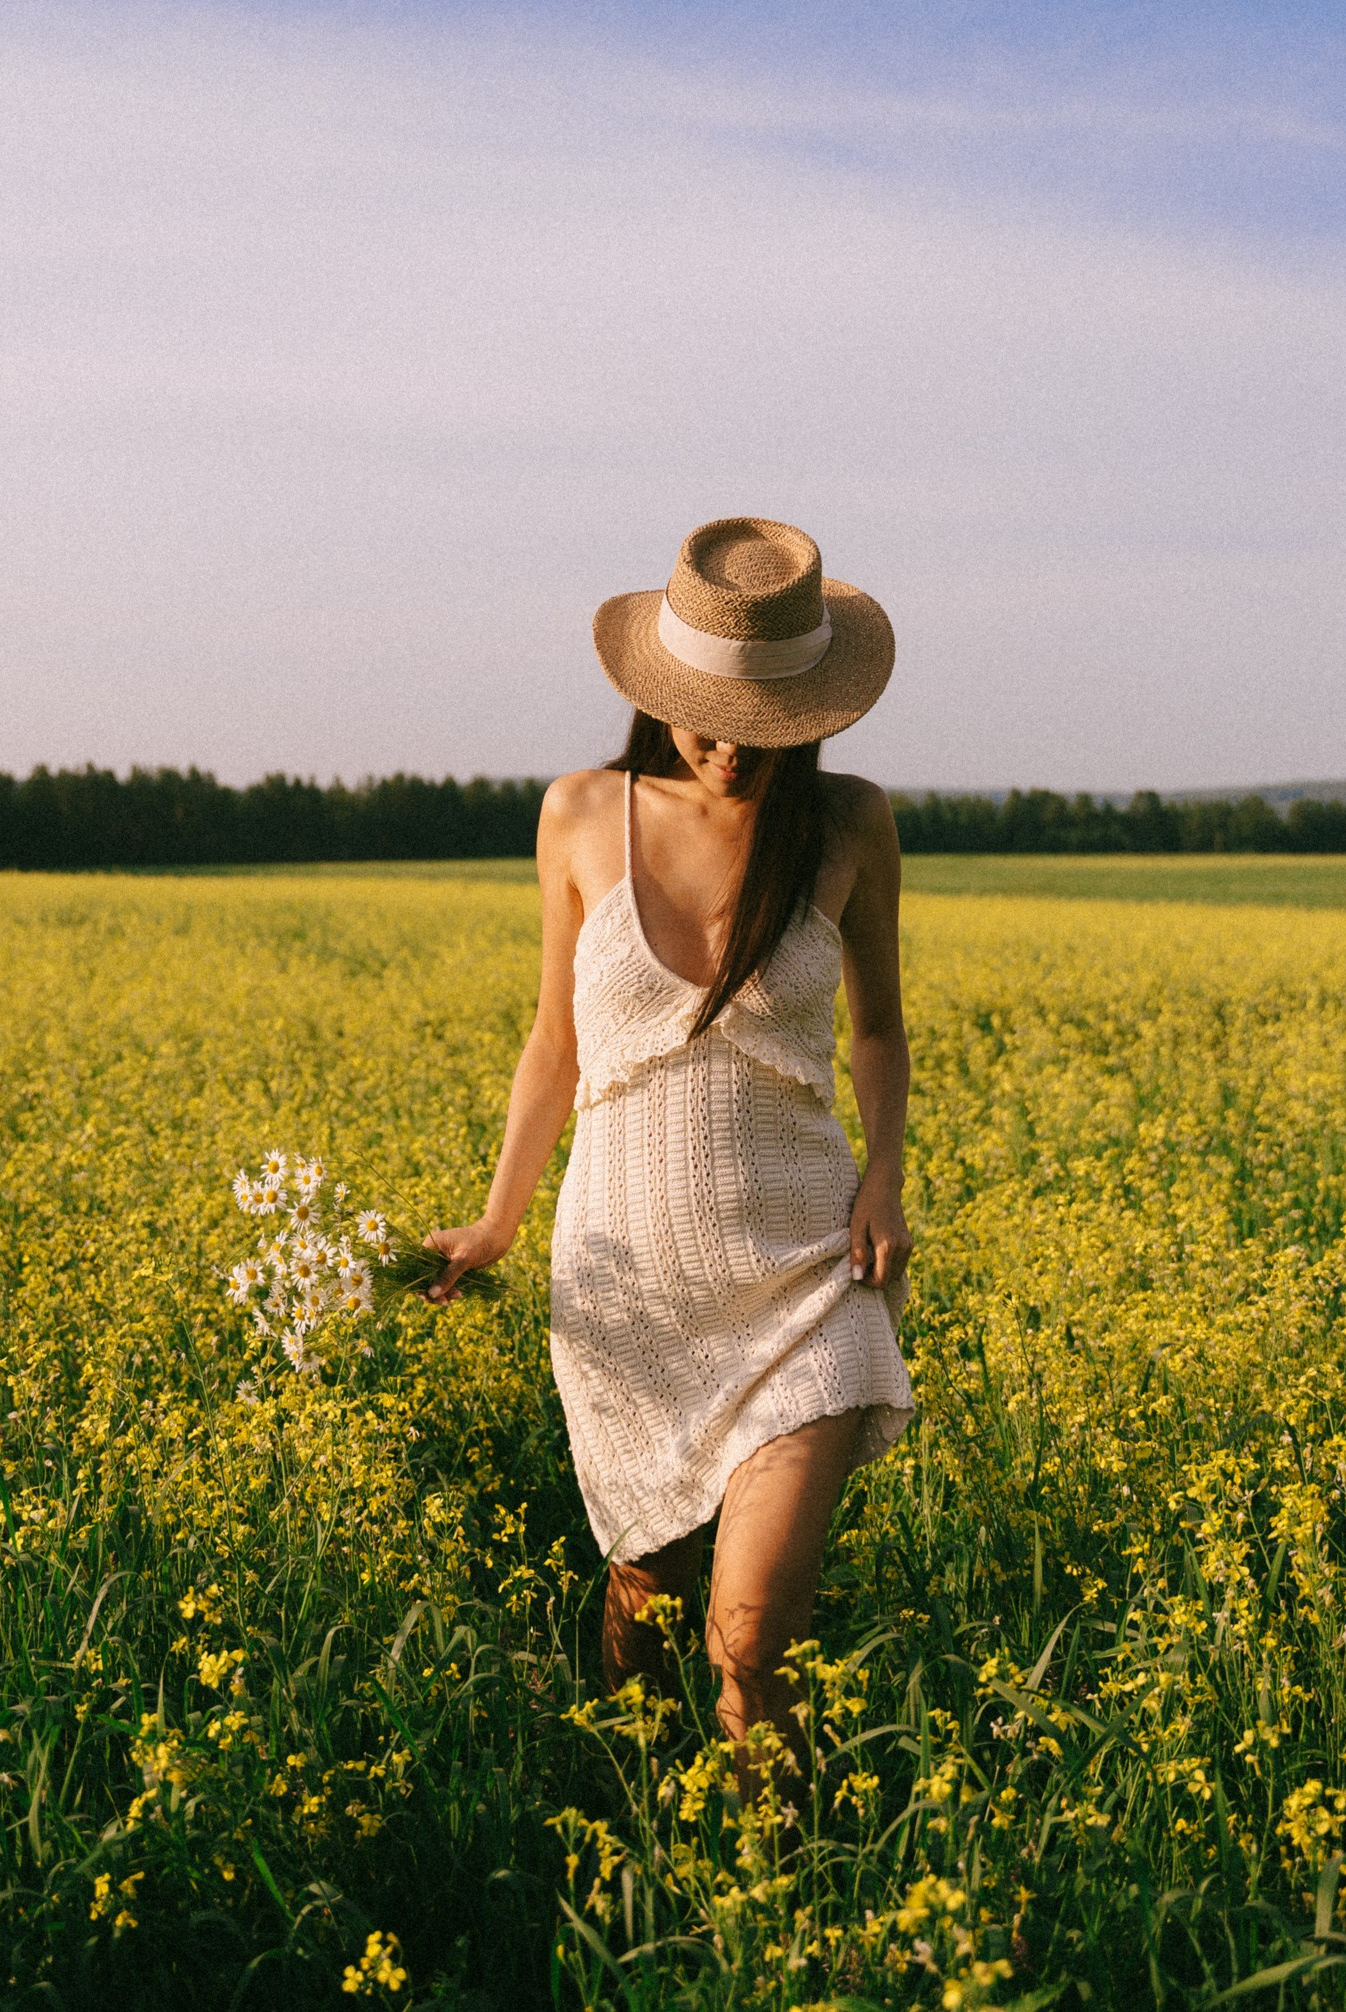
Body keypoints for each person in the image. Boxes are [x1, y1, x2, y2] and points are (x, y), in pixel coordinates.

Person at [424, 515, 914, 1764]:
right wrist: (493, 1222)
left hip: (804, 1274)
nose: (729, 749)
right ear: (662, 694)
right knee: (642, 1607)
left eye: (761, 726)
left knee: (749, 1636)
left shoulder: (852, 824)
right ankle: (635, 1808)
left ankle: (775, 1911)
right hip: (626, 1279)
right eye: (707, 716)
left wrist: (885, 1182)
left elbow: (877, 1032)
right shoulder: (581, 812)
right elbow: (552, 1045)